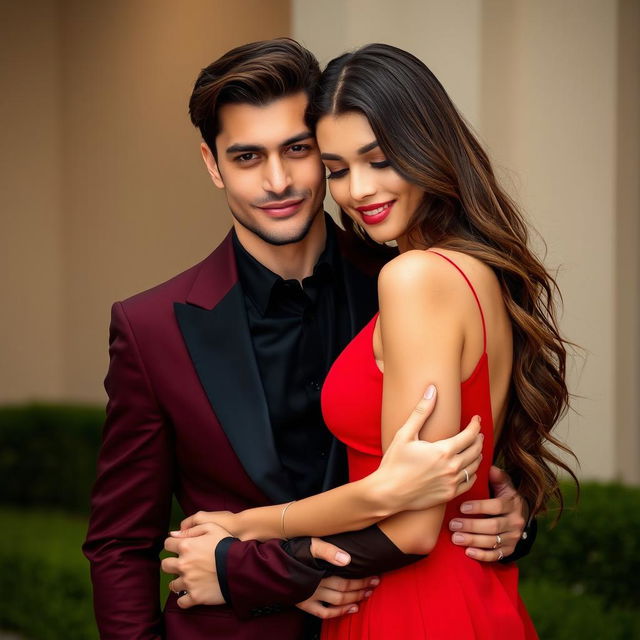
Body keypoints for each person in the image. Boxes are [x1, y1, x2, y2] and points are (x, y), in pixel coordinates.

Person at [83, 39, 533, 640]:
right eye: (246, 157)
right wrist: (281, 572)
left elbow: (448, 490)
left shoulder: (406, 279)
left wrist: (513, 518)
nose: (278, 181)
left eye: (298, 150)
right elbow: (121, 542)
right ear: (212, 164)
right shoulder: (151, 328)